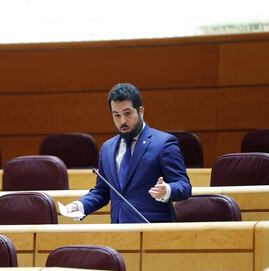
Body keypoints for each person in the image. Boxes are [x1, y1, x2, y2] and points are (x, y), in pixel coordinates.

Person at [65, 83, 191, 223]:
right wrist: (80, 205)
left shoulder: (163, 143)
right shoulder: (107, 148)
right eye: (116, 115)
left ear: (140, 111)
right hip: (119, 233)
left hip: (154, 231)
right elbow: (102, 191)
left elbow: (184, 186)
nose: (122, 121)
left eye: (127, 113)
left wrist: (167, 190)